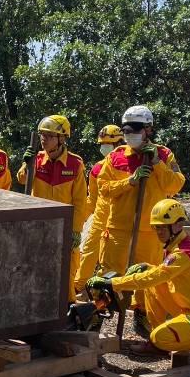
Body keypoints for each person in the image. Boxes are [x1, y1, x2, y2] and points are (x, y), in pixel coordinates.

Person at [87, 199, 190, 367]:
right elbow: (159, 274)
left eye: (162, 227)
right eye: (156, 227)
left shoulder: (183, 253)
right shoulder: (177, 245)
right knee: (150, 278)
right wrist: (146, 267)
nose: (158, 232)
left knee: (158, 336)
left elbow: (156, 277)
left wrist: (112, 283)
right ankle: (161, 338)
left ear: (177, 225)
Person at [96, 105, 185, 336]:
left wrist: (156, 164)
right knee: (109, 276)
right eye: (126, 130)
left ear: (148, 130)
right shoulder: (115, 157)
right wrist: (130, 182)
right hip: (118, 229)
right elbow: (103, 188)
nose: (129, 135)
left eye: (135, 130)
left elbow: (174, 185)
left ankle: (143, 319)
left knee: (147, 280)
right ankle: (97, 318)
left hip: (149, 232)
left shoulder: (164, 155)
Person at [16, 115, 88, 302]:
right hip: (38, 227)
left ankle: (67, 307)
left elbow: (80, 201)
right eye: (42, 135)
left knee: (67, 271)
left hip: (64, 229)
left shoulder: (75, 164)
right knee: (35, 268)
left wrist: (76, 230)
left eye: (49, 135)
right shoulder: (36, 159)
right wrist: (26, 165)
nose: (43, 139)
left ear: (62, 138)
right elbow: (22, 180)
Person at [74, 124, 125, 294]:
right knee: (88, 250)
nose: (104, 147)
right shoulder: (96, 168)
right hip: (100, 216)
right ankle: (79, 287)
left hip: (121, 217)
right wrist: (79, 219)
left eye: (107, 144)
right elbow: (92, 198)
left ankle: (124, 292)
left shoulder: (128, 165)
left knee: (117, 256)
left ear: (119, 143)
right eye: (102, 144)